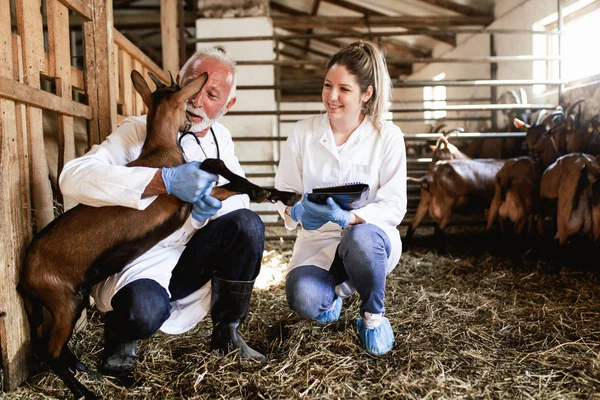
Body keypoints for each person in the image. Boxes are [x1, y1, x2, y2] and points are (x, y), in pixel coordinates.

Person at [59, 48, 266, 383]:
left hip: (188, 257)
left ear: (228, 106)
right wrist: (160, 180)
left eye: (211, 94)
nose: (196, 101)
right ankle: (120, 336)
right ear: (177, 87)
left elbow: (236, 209)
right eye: (191, 88)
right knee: (144, 312)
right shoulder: (136, 130)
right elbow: (73, 178)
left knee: (248, 225)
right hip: (137, 260)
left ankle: (227, 333)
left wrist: (206, 211)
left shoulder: (219, 138)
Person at [274, 40, 407, 356]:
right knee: (303, 297)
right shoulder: (303, 132)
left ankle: (373, 317)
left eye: (344, 89)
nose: (331, 97)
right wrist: (299, 211)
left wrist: (350, 218)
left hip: (370, 241)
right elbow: (285, 191)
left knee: (359, 239)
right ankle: (331, 294)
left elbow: (393, 203)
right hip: (318, 240)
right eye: (327, 86)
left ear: (367, 93)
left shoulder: (387, 136)